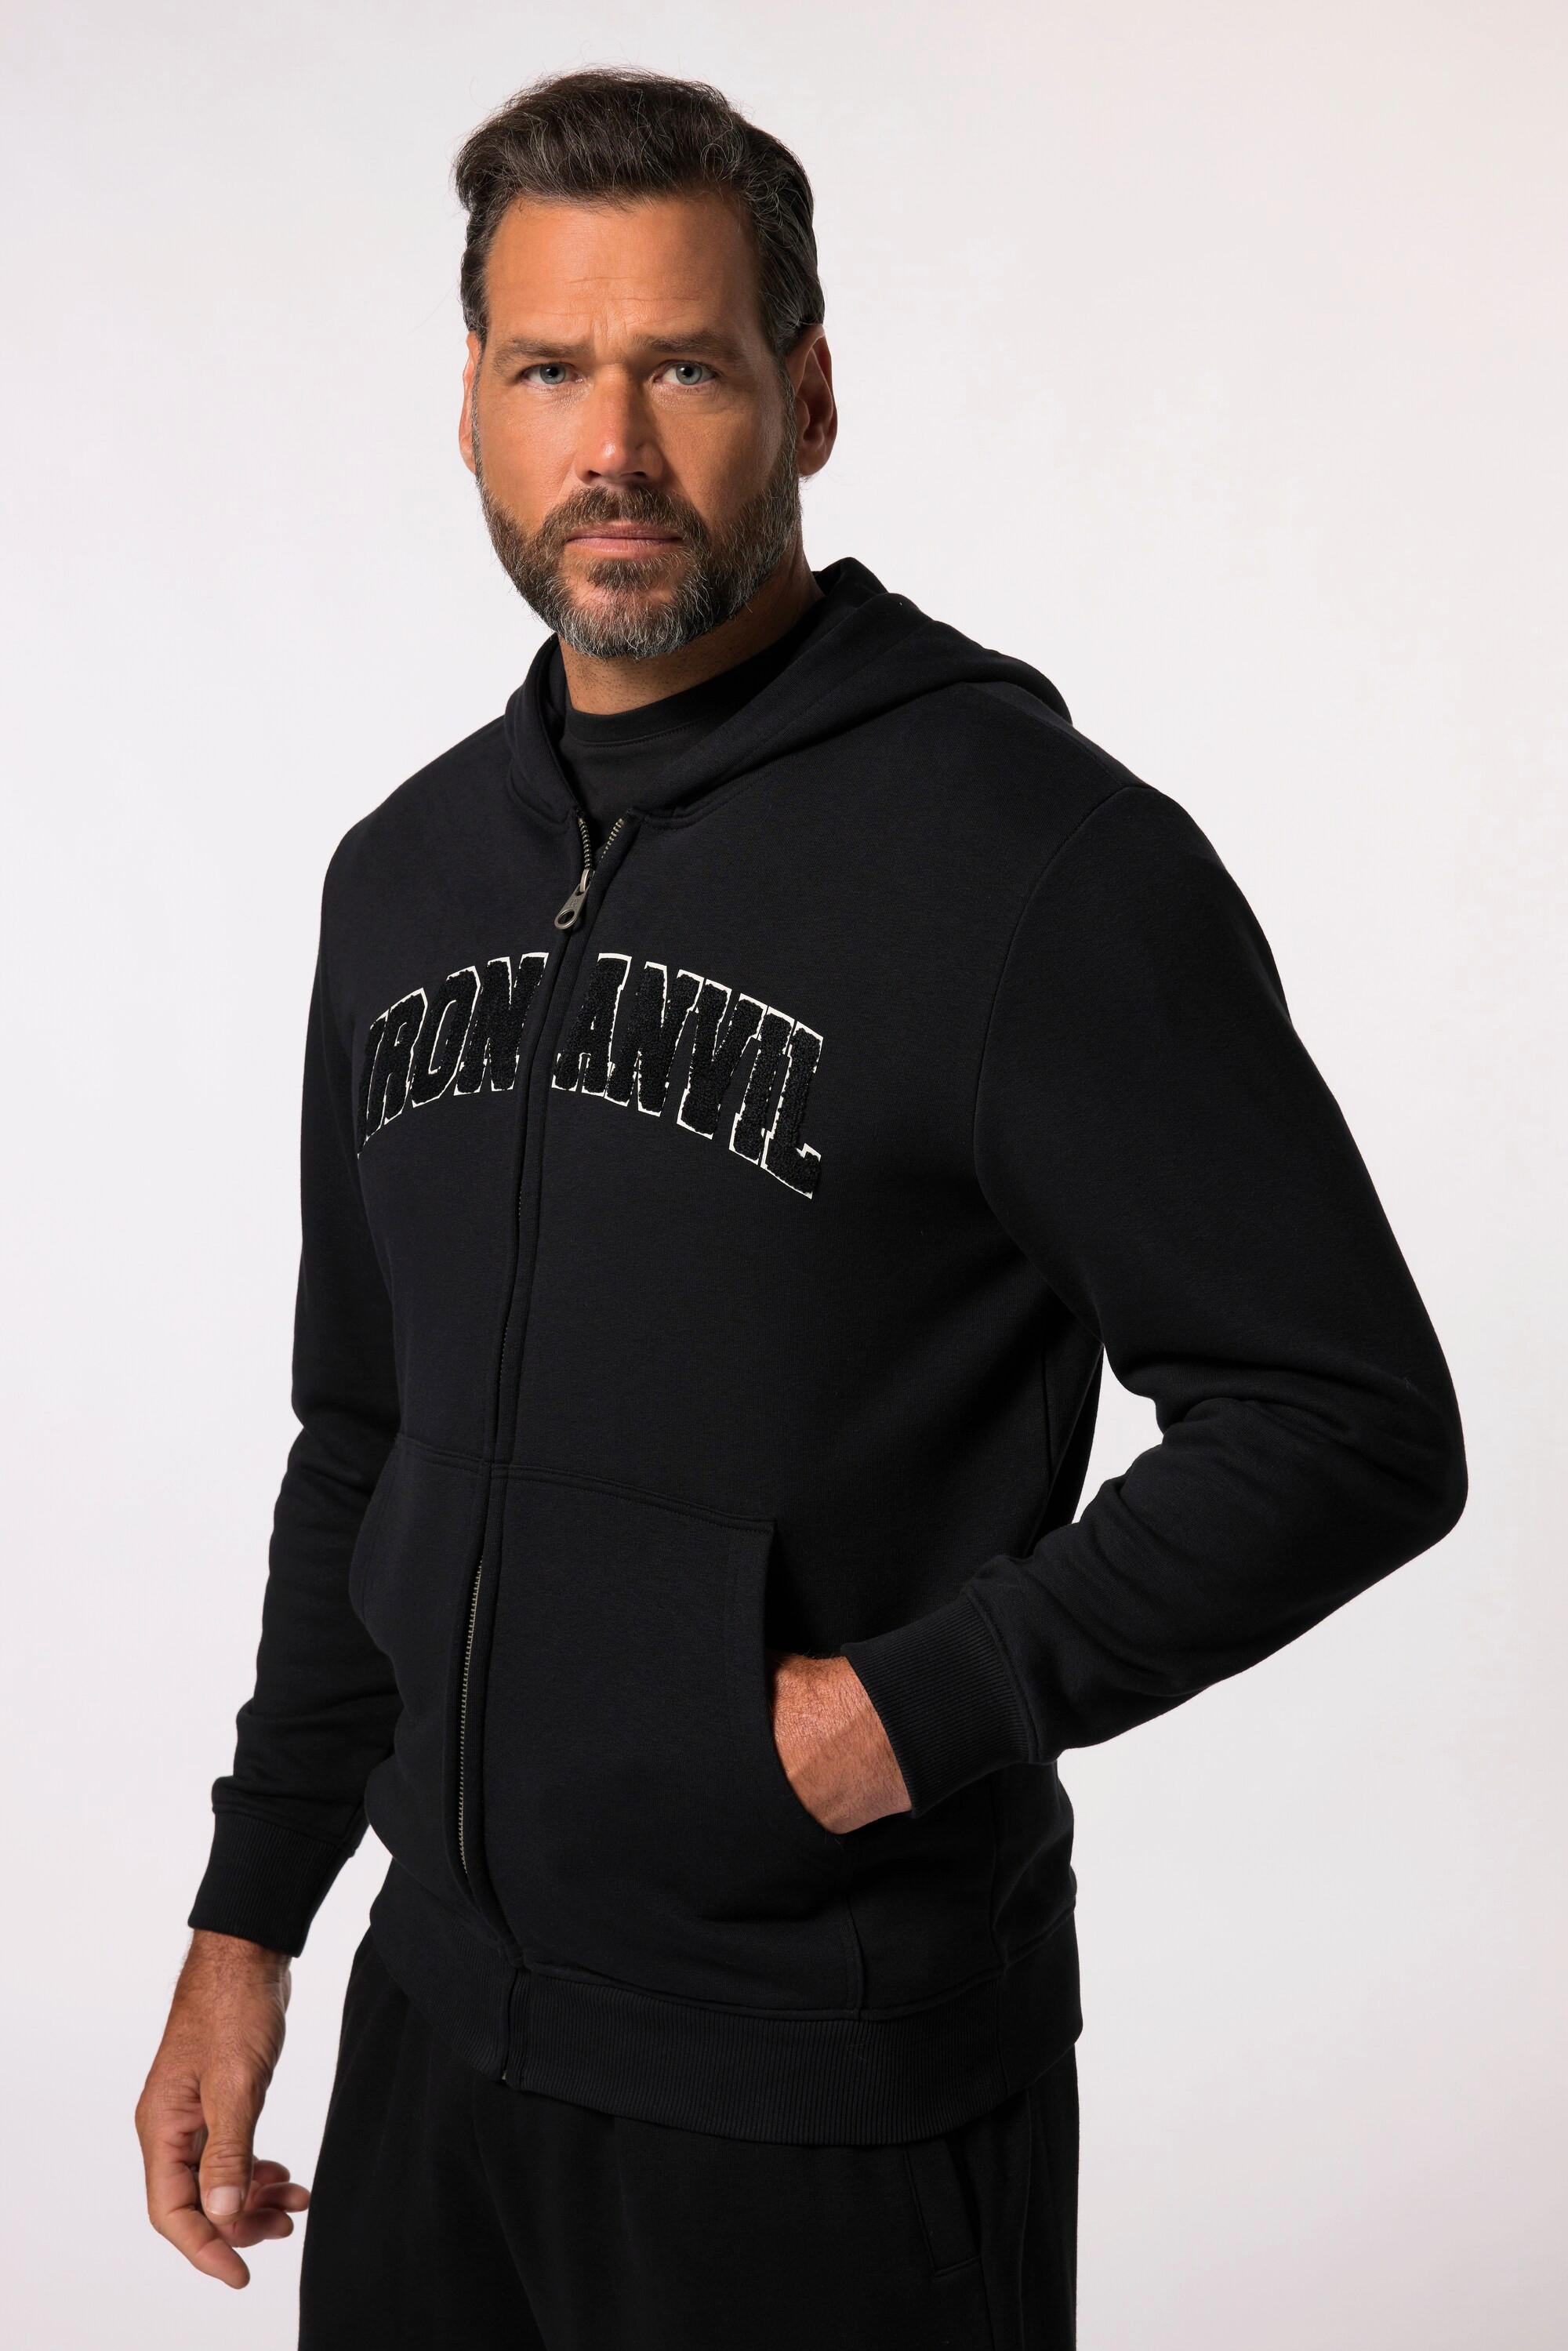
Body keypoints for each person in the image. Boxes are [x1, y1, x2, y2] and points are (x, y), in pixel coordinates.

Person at [135, 64, 1468, 2351]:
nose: (611, 447)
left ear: (808, 397)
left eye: (684, 367)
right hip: (435, 2050)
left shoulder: (1035, 867)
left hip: (826, 2097)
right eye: (549, 371)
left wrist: (903, 1714)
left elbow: (1346, 1423)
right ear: (471, 410)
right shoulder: (407, 875)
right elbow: (363, 1435)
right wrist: (251, 1916)